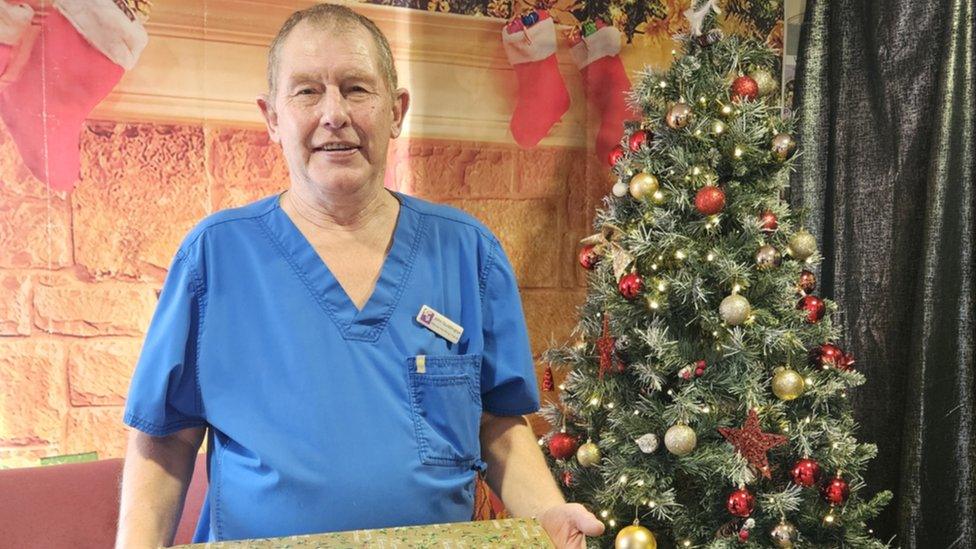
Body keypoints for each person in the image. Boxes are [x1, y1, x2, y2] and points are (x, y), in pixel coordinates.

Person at [115, 4, 604, 548]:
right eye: (306, 91)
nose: (333, 114)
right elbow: (165, 441)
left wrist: (548, 516)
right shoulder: (214, 257)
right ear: (272, 116)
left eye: (356, 89)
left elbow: (499, 427)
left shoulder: (469, 252)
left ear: (396, 111)